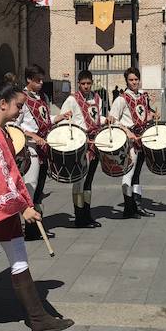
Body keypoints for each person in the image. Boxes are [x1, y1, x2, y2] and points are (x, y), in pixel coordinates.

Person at [0, 82, 75, 331]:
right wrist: (24, 207)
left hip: (5, 208)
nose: (21, 111)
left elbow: (10, 173)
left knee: (19, 258)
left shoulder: (3, 131)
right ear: (3, 104)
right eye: (19, 106)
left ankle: (38, 319)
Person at [15, 64, 70, 239]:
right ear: (29, 79)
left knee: (39, 188)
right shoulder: (21, 99)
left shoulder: (42, 97)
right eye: (37, 80)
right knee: (30, 187)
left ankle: (36, 226)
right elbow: (14, 125)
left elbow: (46, 119)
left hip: (44, 148)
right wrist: (32, 135)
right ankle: (28, 227)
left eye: (41, 80)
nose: (40, 83)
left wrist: (59, 117)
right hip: (30, 148)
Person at [60, 69, 111, 228]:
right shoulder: (71, 100)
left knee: (89, 181)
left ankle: (87, 214)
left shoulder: (96, 98)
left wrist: (106, 119)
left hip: (94, 143)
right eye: (83, 84)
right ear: (78, 84)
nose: (86, 86)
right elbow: (63, 120)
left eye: (89, 83)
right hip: (81, 143)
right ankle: (79, 216)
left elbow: (96, 118)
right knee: (79, 181)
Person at [109, 67, 159, 218]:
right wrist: (127, 131)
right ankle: (128, 207)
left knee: (137, 174)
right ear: (127, 81)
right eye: (131, 80)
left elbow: (145, 116)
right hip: (130, 141)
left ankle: (138, 206)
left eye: (136, 79)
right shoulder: (121, 99)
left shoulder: (143, 97)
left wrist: (154, 114)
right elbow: (113, 120)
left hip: (142, 139)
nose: (134, 82)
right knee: (128, 173)